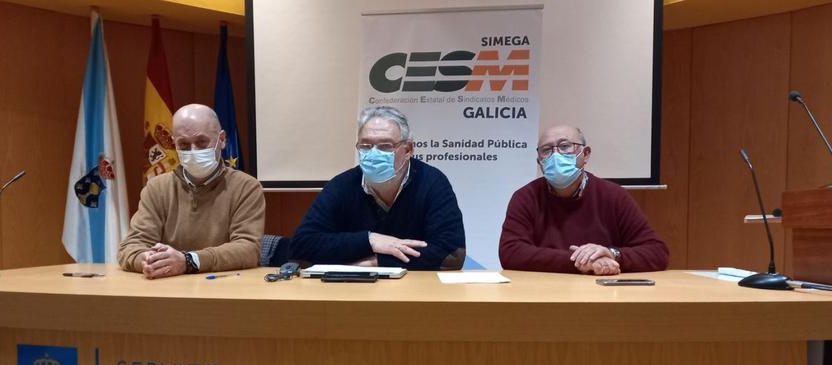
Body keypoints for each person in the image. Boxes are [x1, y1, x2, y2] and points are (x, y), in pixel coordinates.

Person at [291, 106, 465, 270]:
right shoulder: (342, 185)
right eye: (366, 146)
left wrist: (378, 262)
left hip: (414, 292)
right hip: (352, 291)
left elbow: (451, 254)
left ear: (408, 149)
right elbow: (302, 245)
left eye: (385, 146)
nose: (374, 154)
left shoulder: (432, 183)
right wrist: (369, 240)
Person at [118, 103, 265, 279]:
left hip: (224, 290)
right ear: (174, 143)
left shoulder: (246, 187)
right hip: (168, 289)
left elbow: (248, 249)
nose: (193, 151)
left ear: (222, 139)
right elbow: (130, 247)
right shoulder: (157, 188)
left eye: (202, 142)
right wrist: (150, 260)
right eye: (184, 145)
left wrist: (189, 261)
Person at [499, 125, 668, 275]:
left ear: (585, 154)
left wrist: (612, 254)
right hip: (543, 295)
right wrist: (583, 262)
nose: (555, 155)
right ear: (540, 162)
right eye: (546, 150)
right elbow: (511, 253)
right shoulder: (526, 197)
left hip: (603, 297)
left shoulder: (613, 195)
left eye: (565, 146)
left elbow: (657, 252)